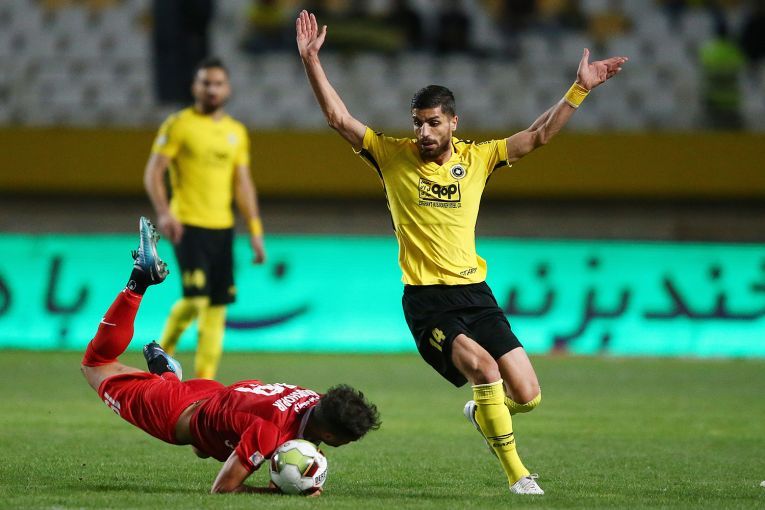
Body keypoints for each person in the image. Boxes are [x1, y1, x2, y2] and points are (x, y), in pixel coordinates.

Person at [295, 9, 627, 495]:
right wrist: (311, 61)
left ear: (453, 122)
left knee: (528, 396)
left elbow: (537, 135)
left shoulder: (479, 158)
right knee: (485, 370)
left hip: (475, 293)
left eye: (433, 123)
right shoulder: (390, 155)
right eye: (417, 124)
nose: (424, 133)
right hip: (428, 300)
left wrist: (579, 89)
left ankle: (484, 412)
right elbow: (338, 118)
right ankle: (519, 476)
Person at [80, 217, 381, 494]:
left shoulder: (318, 401)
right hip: (177, 410)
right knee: (96, 364)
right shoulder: (269, 432)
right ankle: (139, 281)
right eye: (348, 439)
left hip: (218, 397)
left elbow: (301, 429)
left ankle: (167, 373)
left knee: (203, 447)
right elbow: (222, 489)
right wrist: (277, 492)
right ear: (330, 435)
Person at [144, 57, 267, 380]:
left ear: (228, 89)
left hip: (223, 229)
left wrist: (255, 230)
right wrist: (164, 212)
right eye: (206, 83)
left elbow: (243, 184)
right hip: (188, 226)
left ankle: (205, 383)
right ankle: (159, 357)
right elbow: (153, 173)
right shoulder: (178, 125)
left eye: (218, 84)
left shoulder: (236, 132)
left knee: (216, 309)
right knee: (196, 301)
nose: (212, 89)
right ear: (195, 87)